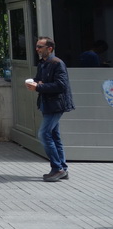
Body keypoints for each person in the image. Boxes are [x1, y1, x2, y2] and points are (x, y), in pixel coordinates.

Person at [26, 36, 75, 182]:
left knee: (44, 134)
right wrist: (34, 83)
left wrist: (39, 86)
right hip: (46, 103)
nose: (37, 49)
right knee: (54, 135)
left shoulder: (57, 63)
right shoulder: (43, 63)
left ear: (50, 48)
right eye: (37, 47)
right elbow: (39, 79)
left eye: (40, 47)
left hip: (56, 105)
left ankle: (57, 168)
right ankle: (62, 169)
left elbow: (61, 86)